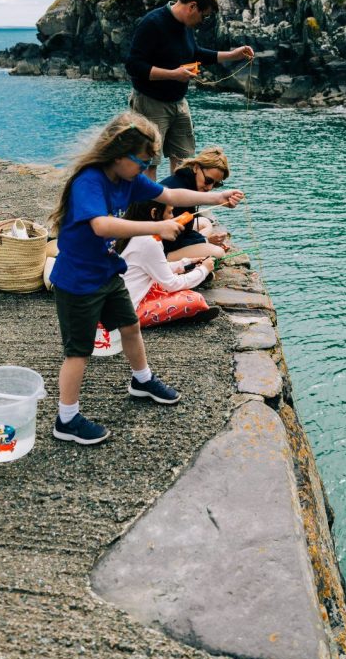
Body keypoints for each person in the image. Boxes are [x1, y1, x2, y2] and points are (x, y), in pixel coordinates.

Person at [47, 111, 244, 446]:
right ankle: (66, 418)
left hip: (107, 271)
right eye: (142, 161)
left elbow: (171, 196)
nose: (146, 167)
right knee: (77, 352)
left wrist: (216, 198)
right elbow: (101, 225)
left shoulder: (129, 178)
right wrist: (158, 228)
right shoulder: (90, 181)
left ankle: (142, 380)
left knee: (130, 326)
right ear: (118, 155)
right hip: (78, 280)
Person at [125, 0, 254, 177]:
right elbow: (133, 66)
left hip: (178, 103)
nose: (203, 21)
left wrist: (232, 55)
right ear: (192, 6)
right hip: (150, 103)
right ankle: (148, 208)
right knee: (149, 162)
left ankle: (177, 207)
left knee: (185, 161)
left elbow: (195, 53)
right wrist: (173, 74)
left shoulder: (185, 25)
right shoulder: (152, 23)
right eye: (204, 15)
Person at [121, 200, 219, 328]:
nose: (172, 217)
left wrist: (186, 263)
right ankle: (177, 316)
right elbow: (172, 284)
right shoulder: (148, 242)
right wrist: (203, 270)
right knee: (195, 299)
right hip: (127, 312)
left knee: (171, 287)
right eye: (169, 212)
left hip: (120, 297)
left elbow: (154, 268)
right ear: (154, 213)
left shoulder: (128, 231)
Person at [159, 146, 232, 263]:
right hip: (162, 249)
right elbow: (173, 241)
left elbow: (184, 231)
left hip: (172, 236)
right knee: (218, 253)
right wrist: (204, 241)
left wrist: (202, 240)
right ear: (196, 168)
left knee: (205, 223)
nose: (209, 187)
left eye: (216, 184)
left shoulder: (184, 180)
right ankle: (169, 260)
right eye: (208, 181)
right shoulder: (180, 191)